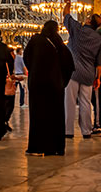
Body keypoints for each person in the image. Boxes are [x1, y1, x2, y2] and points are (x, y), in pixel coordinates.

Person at [24, 20, 74, 156]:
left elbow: (26, 58)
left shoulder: (35, 40)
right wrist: (61, 80)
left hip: (38, 85)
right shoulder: (58, 43)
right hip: (55, 86)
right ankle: (56, 148)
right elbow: (69, 64)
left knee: (38, 116)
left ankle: (37, 147)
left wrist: (34, 71)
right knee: (55, 117)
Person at [62, 0, 101, 139]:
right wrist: (98, 78)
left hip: (72, 72)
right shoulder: (99, 39)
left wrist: (68, 4)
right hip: (88, 74)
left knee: (69, 102)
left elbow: (66, 16)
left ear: (89, 22)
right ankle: (86, 131)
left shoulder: (78, 30)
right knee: (86, 103)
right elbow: (100, 62)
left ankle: (68, 131)